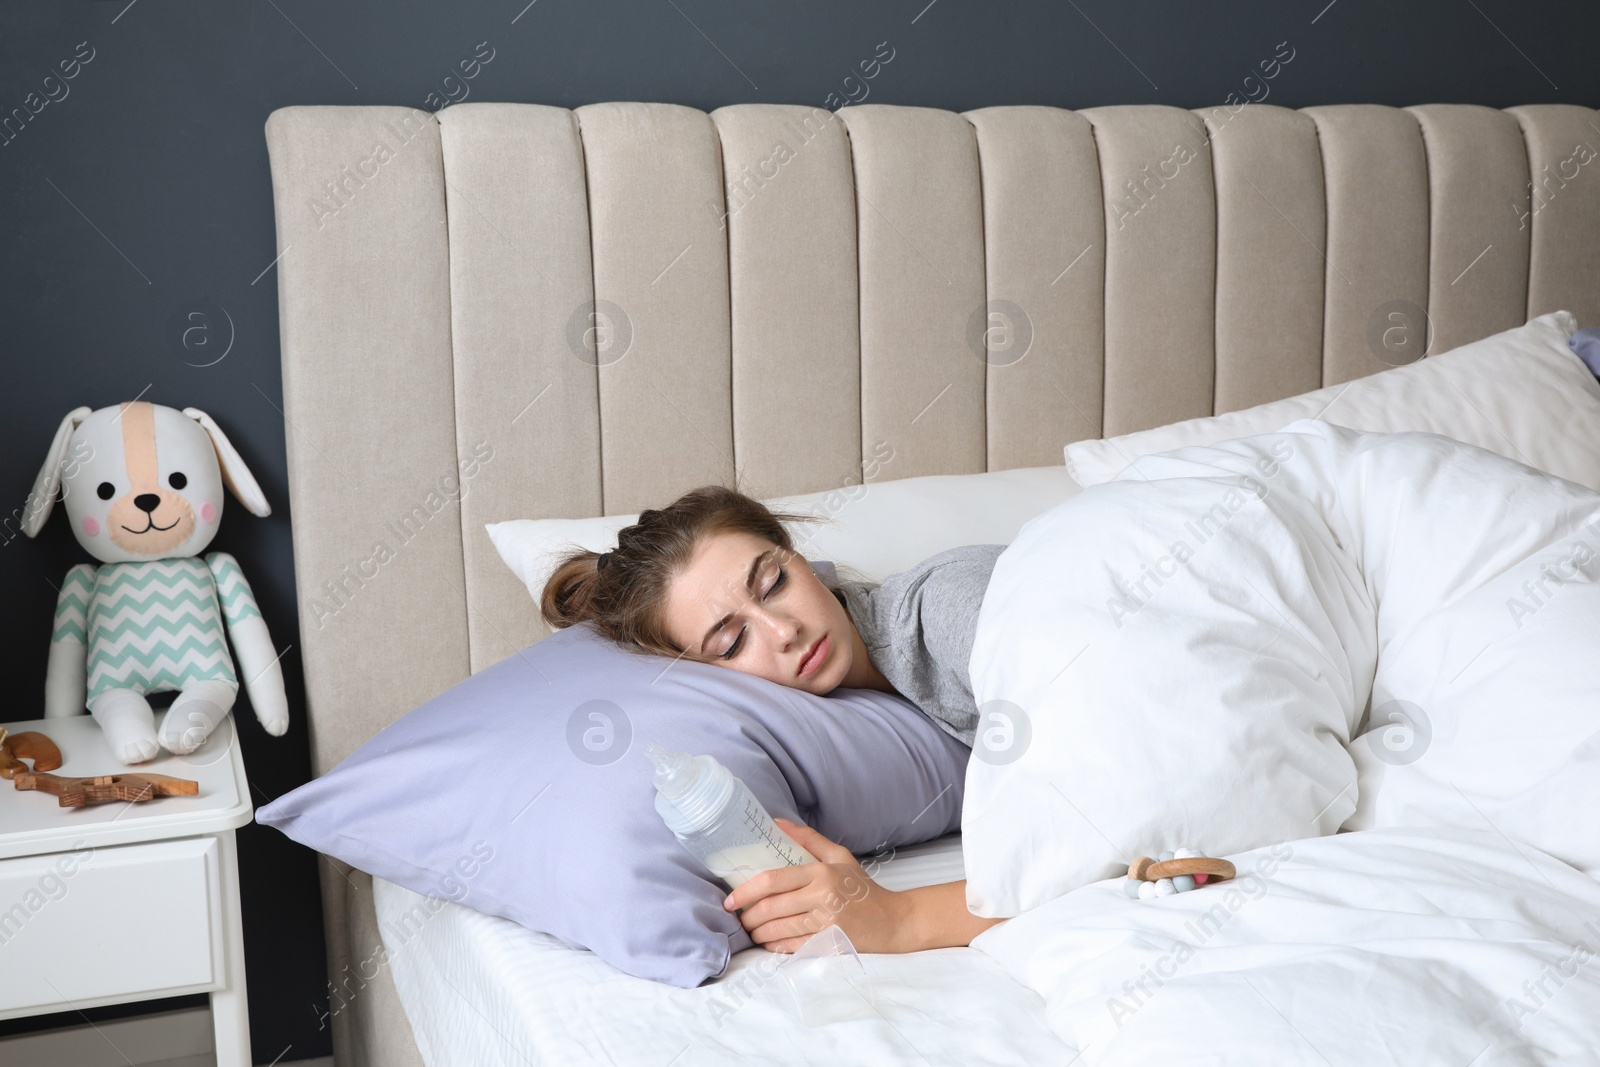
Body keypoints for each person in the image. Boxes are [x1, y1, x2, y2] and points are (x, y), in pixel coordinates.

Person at [541, 485, 1008, 955]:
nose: (785, 631)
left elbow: (1082, 834)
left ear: (799, 558)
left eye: (774, 584)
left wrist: (901, 920)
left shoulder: (954, 608)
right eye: (732, 643)